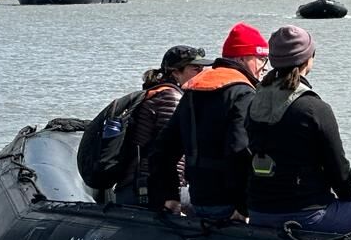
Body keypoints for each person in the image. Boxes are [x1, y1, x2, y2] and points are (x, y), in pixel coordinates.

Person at [242, 25, 351, 234]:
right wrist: (350, 200)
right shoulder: (313, 108)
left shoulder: (254, 101)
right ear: (308, 59)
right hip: (306, 214)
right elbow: (338, 166)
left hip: (258, 210)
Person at [148, 23, 268, 221]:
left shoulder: (194, 89)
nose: (265, 67)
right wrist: (243, 207)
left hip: (199, 199)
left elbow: (162, 149)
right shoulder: (243, 93)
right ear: (242, 58)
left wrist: (169, 195)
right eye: (262, 59)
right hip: (230, 205)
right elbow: (240, 151)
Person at [78, 43, 209, 204]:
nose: (202, 73)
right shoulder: (171, 98)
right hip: (147, 190)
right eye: (196, 68)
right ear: (176, 72)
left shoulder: (157, 92)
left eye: (202, 68)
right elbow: (167, 152)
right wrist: (172, 195)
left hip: (135, 187)